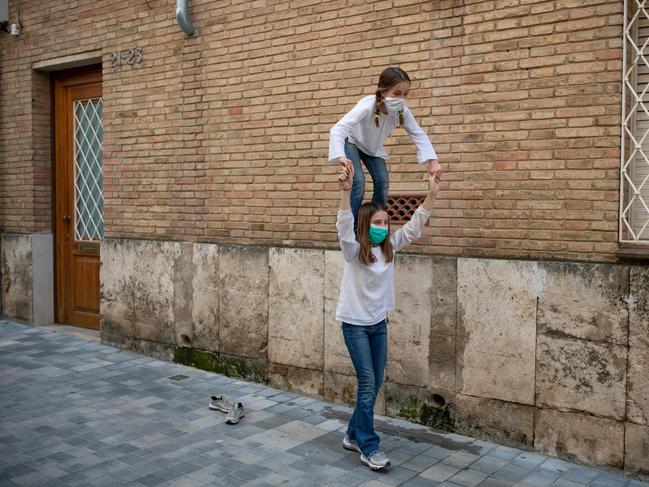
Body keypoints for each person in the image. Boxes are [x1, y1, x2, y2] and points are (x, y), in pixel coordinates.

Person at [335, 162, 439, 470]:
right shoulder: (354, 252)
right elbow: (343, 225)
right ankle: (369, 445)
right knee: (368, 383)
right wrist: (345, 193)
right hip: (354, 325)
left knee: (374, 382)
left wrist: (431, 195)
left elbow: (415, 226)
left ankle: (353, 433)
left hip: (378, 325)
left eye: (386, 221)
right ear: (366, 225)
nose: (383, 226)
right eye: (377, 222)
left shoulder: (389, 247)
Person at [329, 66, 442, 223]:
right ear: (383, 91)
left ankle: (376, 224)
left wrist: (433, 161)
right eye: (396, 93)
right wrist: (341, 156)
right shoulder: (368, 105)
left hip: (372, 149)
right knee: (358, 183)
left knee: (382, 183)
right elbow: (338, 129)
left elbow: (418, 134)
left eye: (405, 94)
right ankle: (352, 229)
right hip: (352, 142)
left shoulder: (402, 111)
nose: (401, 98)